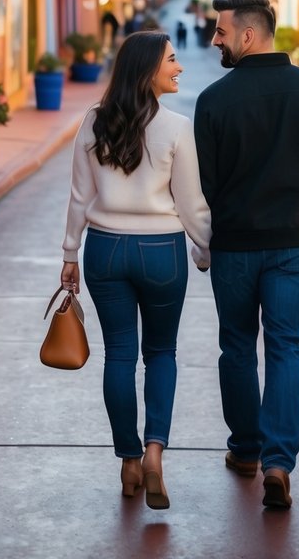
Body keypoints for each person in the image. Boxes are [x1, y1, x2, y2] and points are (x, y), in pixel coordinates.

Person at [194, 0, 299, 511]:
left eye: (220, 32)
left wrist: (204, 243)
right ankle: (279, 462)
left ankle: (246, 450)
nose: (214, 40)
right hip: (291, 247)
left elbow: (203, 187)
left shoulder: (215, 100)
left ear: (247, 34)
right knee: (288, 348)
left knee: (237, 348)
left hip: (235, 250)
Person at [61, 31, 211, 510]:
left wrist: (69, 254)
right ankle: (153, 452)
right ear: (147, 70)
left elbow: (80, 197)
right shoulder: (176, 128)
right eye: (171, 60)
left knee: (120, 356)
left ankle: (127, 460)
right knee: (161, 353)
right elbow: (192, 204)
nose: (179, 67)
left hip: (104, 251)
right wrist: (204, 251)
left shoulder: (93, 122)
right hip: (162, 252)